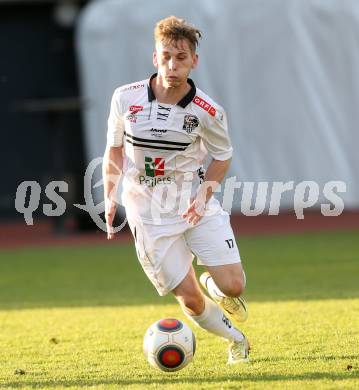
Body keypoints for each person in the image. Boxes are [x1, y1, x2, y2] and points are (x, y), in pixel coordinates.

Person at [103, 15, 250, 364]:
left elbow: (222, 157)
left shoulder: (208, 111)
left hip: (193, 203)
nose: (172, 64)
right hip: (148, 214)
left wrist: (203, 198)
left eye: (181, 57)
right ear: (155, 57)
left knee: (234, 286)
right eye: (166, 55)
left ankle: (217, 284)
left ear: (194, 61)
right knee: (191, 300)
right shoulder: (125, 98)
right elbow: (115, 150)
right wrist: (109, 196)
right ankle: (237, 340)